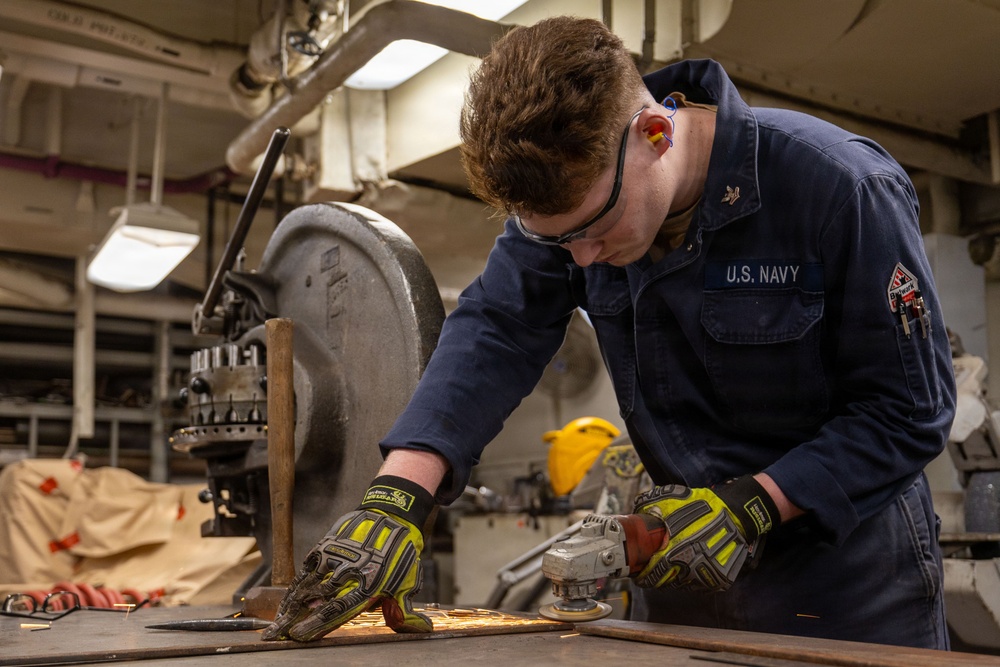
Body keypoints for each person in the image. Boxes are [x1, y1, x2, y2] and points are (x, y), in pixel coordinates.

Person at [262, 15, 956, 649]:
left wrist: (759, 501)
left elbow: (909, 410)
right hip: (683, 570)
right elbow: (497, 327)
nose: (584, 259)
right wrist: (397, 499)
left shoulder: (839, 188)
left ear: (655, 135)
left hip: (847, 585)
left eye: (594, 229)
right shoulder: (571, 208)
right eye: (560, 244)